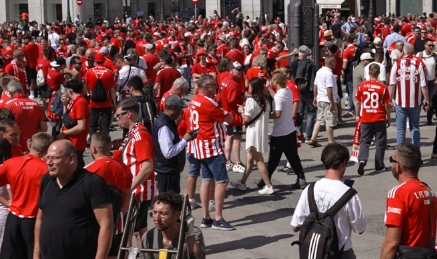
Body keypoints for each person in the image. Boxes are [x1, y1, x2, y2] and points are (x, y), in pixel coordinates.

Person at [33, 140, 114, 259]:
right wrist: (36, 253)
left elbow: (106, 224)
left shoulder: (92, 183)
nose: (49, 163)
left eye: (55, 158)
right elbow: (40, 218)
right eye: (47, 158)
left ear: (71, 159)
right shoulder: (46, 180)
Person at [291, 143, 367, 259]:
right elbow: (360, 228)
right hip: (341, 253)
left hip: (313, 253)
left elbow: (295, 226)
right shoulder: (349, 194)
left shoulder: (309, 189)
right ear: (343, 163)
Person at [188, 74, 234, 231]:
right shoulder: (207, 103)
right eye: (214, 85)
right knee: (222, 181)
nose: (217, 88)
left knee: (206, 180)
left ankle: (206, 217)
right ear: (206, 87)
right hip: (211, 145)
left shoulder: (194, 100)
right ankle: (218, 218)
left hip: (200, 145)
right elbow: (228, 117)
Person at [0, 132, 53, 259]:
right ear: (47, 149)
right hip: (34, 220)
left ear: (31, 145)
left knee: (9, 254)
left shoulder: (11, 163)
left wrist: (8, 203)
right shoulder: (46, 170)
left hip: (13, 217)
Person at [380, 143, 437, 259]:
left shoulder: (398, 193)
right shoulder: (429, 192)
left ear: (398, 166)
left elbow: (392, 242)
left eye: (392, 159)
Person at [85, 132, 133, 259]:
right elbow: (127, 199)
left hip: (95, 224)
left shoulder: (88, 171)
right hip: (118, 221)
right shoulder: (124, 168)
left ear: (93, 148)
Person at [114, 98, 155, 245]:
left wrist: (130, 188)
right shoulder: (134, 132)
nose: (117, 119)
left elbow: (147, 167)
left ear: (129, 114)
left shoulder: (140, 135)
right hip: (137, 190)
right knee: (139, 228)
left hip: (137, 191)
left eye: (118, 115)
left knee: (127, 231)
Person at [260, 69, 306, 189]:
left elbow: (277, 113)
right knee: (293, 157)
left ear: (275, 80)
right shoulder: (288, 91)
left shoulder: (279, 96)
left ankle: (265, 179)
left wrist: (265, 115)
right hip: (290, 130)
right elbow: (278, 97)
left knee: (273, 159)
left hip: (279, 132)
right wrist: (269, 89)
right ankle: (301, 177)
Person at [230, 78, 274, 194]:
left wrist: (241, 110)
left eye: (249, 86)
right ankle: (242, 182)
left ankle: (268, 185)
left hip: (253, 133)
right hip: (261, 132)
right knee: (250, 158)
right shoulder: (265, 100)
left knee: (258, 159)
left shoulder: (251, 101)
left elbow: (246, 118)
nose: (248, 88)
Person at [153, 95, 197, 194]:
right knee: (169, 204)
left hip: (168, 171)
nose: (181, 112)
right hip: (167, 173)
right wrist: (185, 140)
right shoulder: (164, 126)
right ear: (173, 108)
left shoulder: (166, 121)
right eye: (180, 109)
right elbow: (168, 152)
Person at [141, 192, 206, 259]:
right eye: (154, 212)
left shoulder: (194, 234)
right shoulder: (148, 237)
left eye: (163, 214)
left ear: (177, 215)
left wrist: (190, 233)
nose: (157, 218)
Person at [388, 43, 429, 148]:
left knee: (401, 128)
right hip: (415, 101)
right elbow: (423, 85)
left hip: (400, 101)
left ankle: (401, 154)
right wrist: (427, 100)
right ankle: (416, 153)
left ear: (404, 51)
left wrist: (389, 100)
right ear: (413, 52)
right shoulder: (419, 63)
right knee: (415, 127)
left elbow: (392, 85)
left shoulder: (396, 64)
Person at [355, 64, 391, 176]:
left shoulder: (362, 86)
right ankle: (379, 164)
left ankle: (362, 159)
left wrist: (357, 115)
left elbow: (358, 102)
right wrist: (388, 117)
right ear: (379, 73)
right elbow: (386, 105)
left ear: (369, 73)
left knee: (365, 140)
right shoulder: (383, 87)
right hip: (379, 116)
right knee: (380, 141)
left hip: (366, 117)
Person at [5, 79, 47, 153]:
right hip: (32, 144)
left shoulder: (9, 105)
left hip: (16, 145)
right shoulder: (35, 104)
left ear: (10, 93)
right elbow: (44, 128)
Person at [56, 79, 90, 168]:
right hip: (71, 141)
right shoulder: (73, 101)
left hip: (76, 142)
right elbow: (66, 119)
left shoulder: (80, 103)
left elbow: (81, 126)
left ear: (70, 90)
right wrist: (64, 105)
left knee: (74, 168)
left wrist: (64, 133)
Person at [308, 55, 339, 146]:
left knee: (320, 119)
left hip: (320, 99)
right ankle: (331, 141)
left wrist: (315, 97)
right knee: (329, 120)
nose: (336, 63)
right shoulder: (329, 74)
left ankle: (313, 138)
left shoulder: (319, 71)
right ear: (330, 63)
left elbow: (315, 85)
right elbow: (328, 88)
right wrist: (331, 102)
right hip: (327, 100)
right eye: (334, 62)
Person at [221, 61, 246, 174]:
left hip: (227, 114)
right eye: (238, 69)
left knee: (229, 137)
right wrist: (242, 100)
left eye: (241, 69)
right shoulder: (233, 83)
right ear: (231, 70)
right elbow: (232, 100)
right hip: (233, 115)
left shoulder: (226, 81)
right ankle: (237, 163)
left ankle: (228, 162)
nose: (240, 71)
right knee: (236, 138)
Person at [84, 52, 116, 136]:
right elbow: (112, 90)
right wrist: (114, 103)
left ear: (95, 61)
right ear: (104, 61)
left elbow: (85, 86)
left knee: (93, 126)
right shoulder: (109, 73)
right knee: (105, 126)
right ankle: (105, 144)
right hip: (106, 103)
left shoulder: (89, 72)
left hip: (93, 103)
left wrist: (88, 94)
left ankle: (92, 144)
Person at [416, 39, 437, 125]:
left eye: (432, 45)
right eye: (429, 45)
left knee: (430, 101)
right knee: (419, 101)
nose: (431, 47)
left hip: (431, 82)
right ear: (425, 46)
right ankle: (416, 120)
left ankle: (429, 119)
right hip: (421, 83)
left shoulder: (435, 56)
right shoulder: (419, 55)